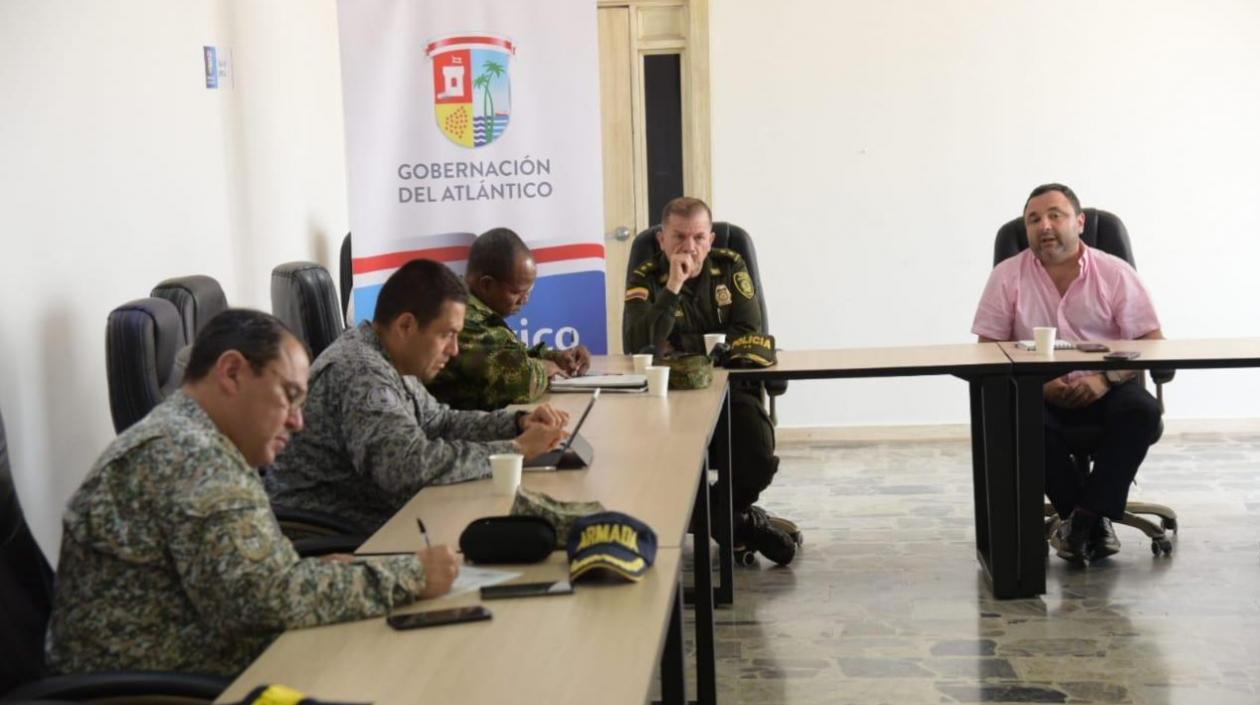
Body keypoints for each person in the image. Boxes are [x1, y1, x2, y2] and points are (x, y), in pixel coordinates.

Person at [45, 309, 460, 676]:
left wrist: (315, 571)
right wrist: (411, 574)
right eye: (289, 396)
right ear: (231, 372)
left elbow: (251, 578)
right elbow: (264, 599)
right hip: (156, 685)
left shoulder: (194, 436)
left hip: (192, 658)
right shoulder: (189, 454)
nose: (298, 422)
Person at [266, 258, 567, 532]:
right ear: (406, 325)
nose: (454, 349)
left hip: (380, 520)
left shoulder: (388, 358)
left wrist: (516, 423)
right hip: (337, 535)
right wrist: (514, 451)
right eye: (446, 334)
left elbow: (439, 422)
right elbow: (408, 468)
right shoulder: (361, 372)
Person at [973, 183, 1164, 563]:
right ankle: (1089, 519)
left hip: (1108, 387)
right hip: (1037, 391)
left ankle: (1080, 522)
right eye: (1033, 219)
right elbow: (987, 348)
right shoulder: (1007, 276)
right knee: (1017, 419)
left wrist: (1104, 379)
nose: (1044, 225)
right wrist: (1041, 385)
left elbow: (1152, 342)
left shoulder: (1114, 273)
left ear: (1079, 222)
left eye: (1054, 215)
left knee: (1141, 412)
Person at [623, 196, 798, 565]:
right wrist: (671, 288)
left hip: (731, 390)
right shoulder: (646, 276)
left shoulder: (731, 265)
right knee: (663, 464)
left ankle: (721, 518)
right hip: (668, 396)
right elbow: (638, 344)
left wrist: (679, 344)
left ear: (712, 239)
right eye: (679, 237)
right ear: (661, 240)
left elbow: (748, 334)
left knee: (758, 457)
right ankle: (739, 524)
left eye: (699, 237)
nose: (689, 247)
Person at [428, 227, 591, 410]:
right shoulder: (460, 315)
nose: (525, 299)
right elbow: (519, 383)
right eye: (517, 292)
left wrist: (557, 357)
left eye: (529, 291)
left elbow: (505, 354)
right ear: (487, 284)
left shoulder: (467, 299)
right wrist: (544, 368)